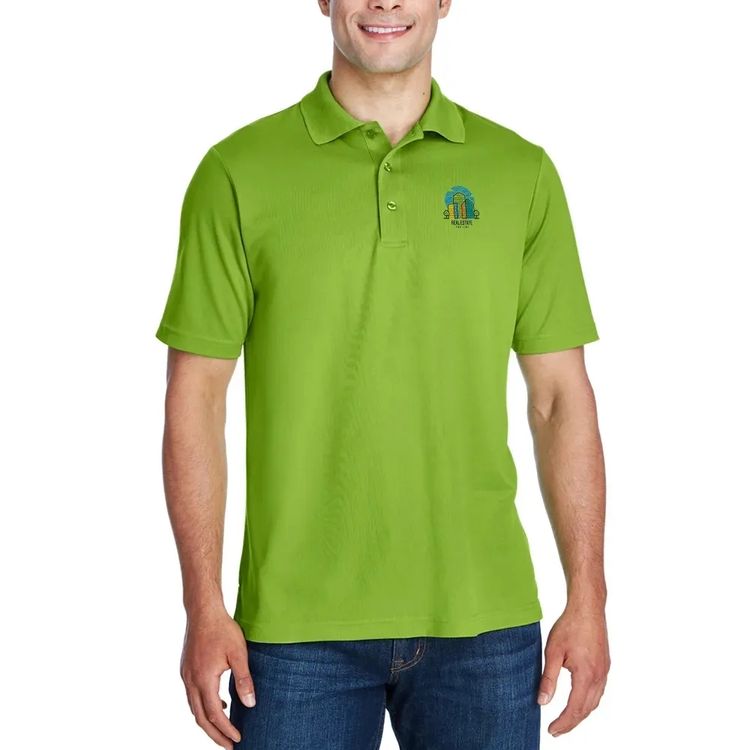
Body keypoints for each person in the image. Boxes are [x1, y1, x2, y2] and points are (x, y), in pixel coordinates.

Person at [155, 1, 610, 748]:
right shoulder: (237, 173)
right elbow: (195, 399)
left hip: (485, 622)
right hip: (294, 633)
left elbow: (560, 400)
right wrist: (202, 605)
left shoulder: (520, 174)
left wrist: (588, 596)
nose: (387, 3)